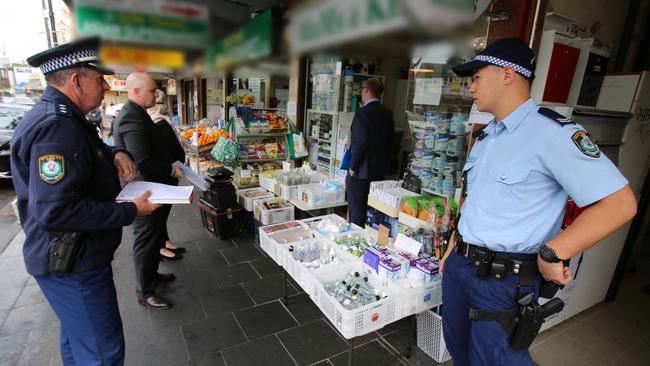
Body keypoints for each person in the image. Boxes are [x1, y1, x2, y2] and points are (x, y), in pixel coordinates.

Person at [439, 37, 637, 365]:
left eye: (476, 77)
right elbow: (470, 201)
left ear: (507, 74)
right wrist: (451, 252)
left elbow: (620, 204)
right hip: (461, 266)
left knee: (496, 359)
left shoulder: (553, 133)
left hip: (502, 280)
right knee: (460, 352)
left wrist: (554, 252)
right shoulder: (487, 135)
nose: (471, 87)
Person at [10, 37, 160, 366]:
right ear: (77, 81)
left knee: (79, 342)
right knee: (102, 352)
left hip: (67, 257)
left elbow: (86, 152)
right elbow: (56, 210)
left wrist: (114, 151)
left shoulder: (65, 118)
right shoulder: (57, 128)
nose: (106, 85)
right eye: (98, 77)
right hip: (74, 262)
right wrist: (131, 210)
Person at [113, 72, 184, 310]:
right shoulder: (131, 118)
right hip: (145, 192)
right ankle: (145, 291)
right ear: (135, 92)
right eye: (152, 90)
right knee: (146, 239)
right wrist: (171, 170)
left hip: (154, 188)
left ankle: (152, 276)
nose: (157, 94)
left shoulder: (138, 113)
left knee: (155, 236)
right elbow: (142, 160)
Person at [346, 78, 394, 227]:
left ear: (366, 89)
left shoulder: (362, 113)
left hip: (360, 173)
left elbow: (360, 142)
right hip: (378, 173)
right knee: (373, 214)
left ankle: (353, 243)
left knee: (356, 214)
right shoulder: (387, 114)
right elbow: (390, 142)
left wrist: (352, 167)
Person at [147, 89, 187, 259]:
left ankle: (164, 241)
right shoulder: (156, 122)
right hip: (162, 174)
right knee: (158, 214)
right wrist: (172, 169)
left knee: (163, 212)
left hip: (167, 172)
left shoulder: (159, 121)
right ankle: (159, 246)